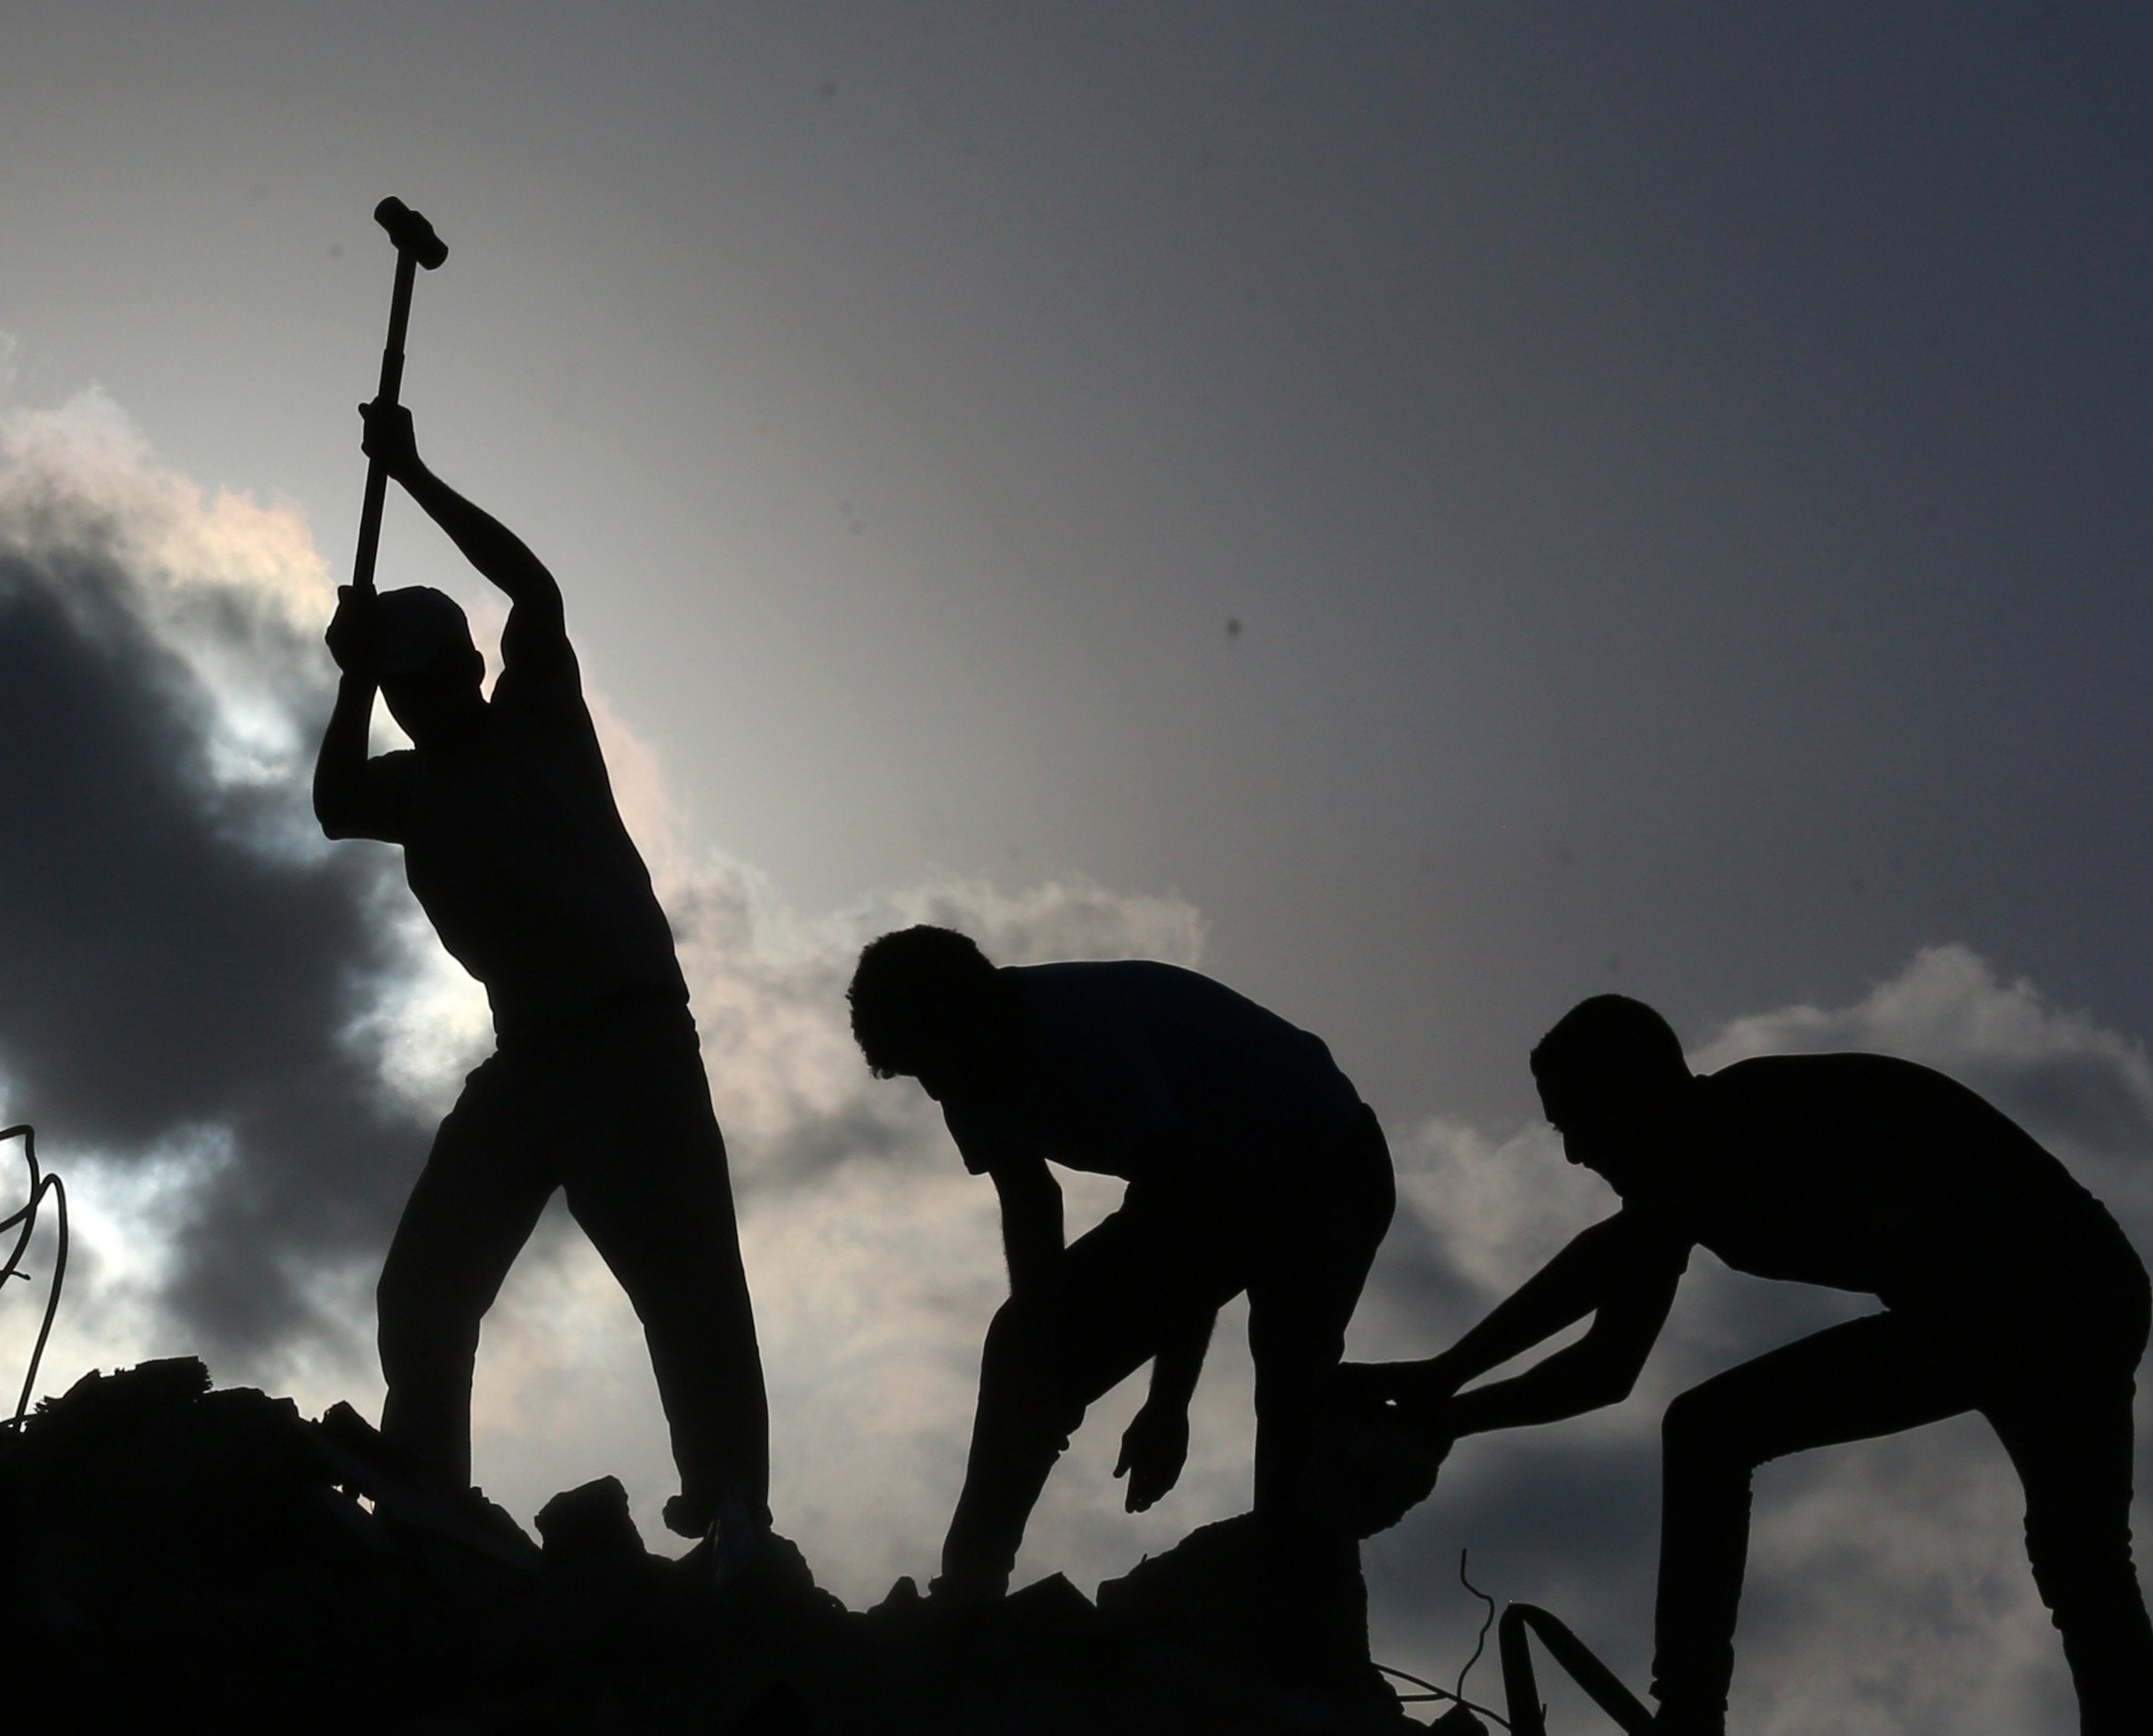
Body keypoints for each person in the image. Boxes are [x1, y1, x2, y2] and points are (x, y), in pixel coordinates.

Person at [1368, 993, 2153, 1736]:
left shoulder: (1753, 1122)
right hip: (2011, 1302)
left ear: (1639, 1096)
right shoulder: (1685, 1178)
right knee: (2080, 1560)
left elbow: (1605, 1272)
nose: (1574, 1154)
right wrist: (1445, 1399)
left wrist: (1445, 1382)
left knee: (2077, 1557)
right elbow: (1605, 1368)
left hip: (2063, 1290)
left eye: (1581, 1122)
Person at [314, 397, 771, 1560]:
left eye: (427, 679)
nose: (419, 701)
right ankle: (427, 1479)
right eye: (401, 690)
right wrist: (352, 679)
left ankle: (733, 1512)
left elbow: (533, 586)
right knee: (426, 1288)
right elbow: (333, 804)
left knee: (685, 1284)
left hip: (633, 1042)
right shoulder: (411, 789)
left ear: (470, 668)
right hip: (530, 1062)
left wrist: (411, 473)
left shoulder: (536, 718)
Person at [843, 924, 1396, 1638]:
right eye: (916, 1075)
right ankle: (969, 1594)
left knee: (1291, 1392)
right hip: (1200, 1181)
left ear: (969, 1017)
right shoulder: (960, 1070)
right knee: (1019, 1348)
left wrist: (1167, 1406)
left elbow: (1189, 1232)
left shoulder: (1085, 1035)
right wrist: (1043, 1362)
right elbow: (1031, 1205)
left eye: (931, 1065)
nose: (934, 1091)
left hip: (1326, 1170)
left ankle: (1305, 1636)